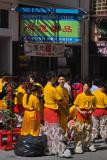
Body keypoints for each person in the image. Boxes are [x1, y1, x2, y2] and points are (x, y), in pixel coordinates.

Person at [41, 71, 71, 157]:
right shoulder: (52, 89)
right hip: (53, 111)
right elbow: (60, 101)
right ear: (53, 78)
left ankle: (50, 149)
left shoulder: (45, 87)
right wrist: (66, 111)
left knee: (49, 131)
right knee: (56, 131)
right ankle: (59, 150)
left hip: (46, 110)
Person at [73, 80, 96, 153]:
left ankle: (86, 145)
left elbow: (94, 107)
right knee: (79, 131)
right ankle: (78, 146)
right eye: (84, 86)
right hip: (80, 115)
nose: (85, 87)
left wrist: (91, 111)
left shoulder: (93, 96)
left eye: (86, 86)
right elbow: (76, 106)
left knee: (87, 131)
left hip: (88, 115)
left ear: (89, 88)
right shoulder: (79, 96)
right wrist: (81, 112)